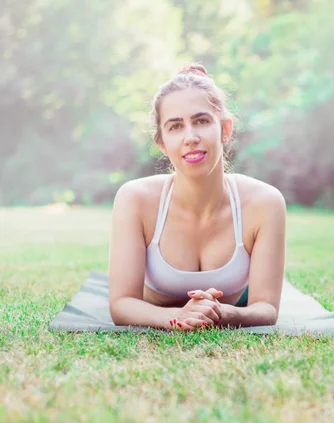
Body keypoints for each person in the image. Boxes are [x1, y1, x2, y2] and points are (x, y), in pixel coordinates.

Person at [109, 64, 286, 331]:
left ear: (225, 129)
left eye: (201, 121)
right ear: (161, 142)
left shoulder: (265, 203)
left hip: (228, 308)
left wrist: (221, 313)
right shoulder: (134, 199)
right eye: (175, 126)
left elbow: (266, 308)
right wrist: (178, 317)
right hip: (156, 308)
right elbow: (122, 304)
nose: (190, 137)